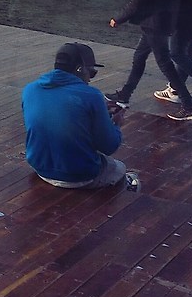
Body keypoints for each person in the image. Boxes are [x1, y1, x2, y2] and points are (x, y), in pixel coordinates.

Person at [22, 42, 136, 189]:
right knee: (119, 168)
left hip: (40, 167)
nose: (90, 79)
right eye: (91, 72)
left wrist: (98, 111)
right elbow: (109, 146)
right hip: (79, 175)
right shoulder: (92, 96)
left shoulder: (30, 89)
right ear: (80, 69)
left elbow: (54, 116)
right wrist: (116, 124)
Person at [107, 0, 192, 120]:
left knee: (165, 65)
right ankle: (125, 95)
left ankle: (190, 107)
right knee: (139, 57)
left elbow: (136, 2)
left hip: (155, 25)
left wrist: (117, 19)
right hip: (163, 22)